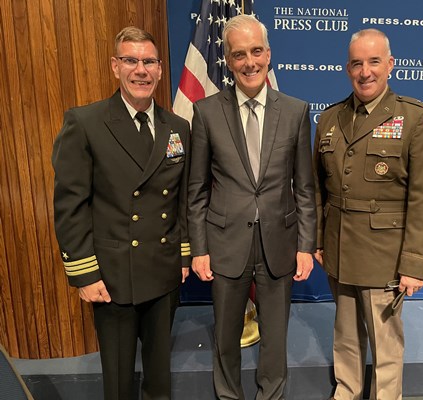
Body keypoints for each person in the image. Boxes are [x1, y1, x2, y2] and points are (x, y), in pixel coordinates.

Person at [52, 26, 191, 400]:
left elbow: (180, 201)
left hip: (162, 271)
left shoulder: (177, 127)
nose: (141, 70)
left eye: (149, 62)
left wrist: (182, 254)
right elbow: (70, 206)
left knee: (159, 380)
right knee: (118, 382)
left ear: (161, 69)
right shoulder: (86, 123)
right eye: (131, 60)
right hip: (113, 277)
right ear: (115, 66)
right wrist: (84, 273)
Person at [188, 14, 316, 400]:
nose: (250, 62)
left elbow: (306, 188)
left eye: (257, 51)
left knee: (275, 340)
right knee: (225, 338)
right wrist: (199, 248)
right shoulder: (207, 112)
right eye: (239, 54)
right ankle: (228, 396)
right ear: (227, 60)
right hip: (225, 244)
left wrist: (306, 245)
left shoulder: (295, 111)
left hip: (280, 242)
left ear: (269, 54)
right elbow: (196, 190)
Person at [313, 29, 423, 400]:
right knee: (345, 336)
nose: (365, 71)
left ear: (390, 64)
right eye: (357, 63)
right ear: (347, 68)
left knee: (386, 345)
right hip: (339, 250)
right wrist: (319, 241)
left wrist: (415, 264)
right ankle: (347, 391)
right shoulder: (329, 119)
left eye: (374, 62)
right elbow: (319, 189)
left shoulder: (416, 118)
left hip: (385, 256)